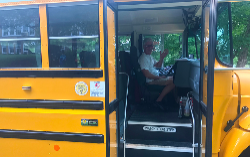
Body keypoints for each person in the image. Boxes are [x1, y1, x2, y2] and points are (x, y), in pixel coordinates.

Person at [138, 38, 175, 108]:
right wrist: (159, 77)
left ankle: (176, 101)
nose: (150, 48)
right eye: (148, 46)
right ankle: (158, 100)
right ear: (144, 47)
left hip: (156, 77)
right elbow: (147, 74)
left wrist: (161, 58)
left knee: (174, 78)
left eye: (151, 45)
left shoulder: (150, 57)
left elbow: (158, 65)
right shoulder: (143, 58)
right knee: (173, 81)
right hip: (151, 81)